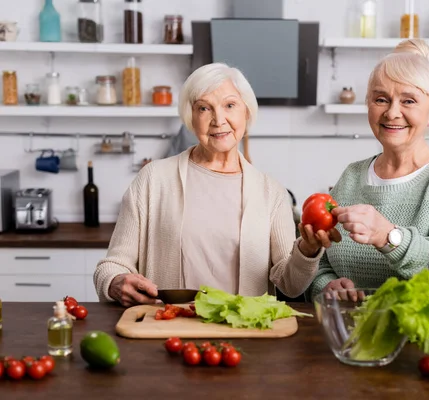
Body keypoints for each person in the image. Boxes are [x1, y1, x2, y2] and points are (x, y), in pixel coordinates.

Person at [94, 62, 339, 307]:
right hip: (168, 330)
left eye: (230, 105)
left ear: (246, 112)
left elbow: (290, 285)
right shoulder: (152, 180)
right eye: (204, 108)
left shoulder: (271, 193)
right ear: (191, 117)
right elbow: (112, 265)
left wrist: (307, 250)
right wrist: (115, 281)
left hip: (244, 336)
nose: (218, 120)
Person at [308, 39, 429, 300]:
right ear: (368, 105)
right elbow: (324, 262)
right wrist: (326, 285)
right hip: (350, 333)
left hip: (417, 334)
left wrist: (390, 237)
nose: (392, 113)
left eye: (409, 101)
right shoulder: (352, 176)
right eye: (381, 99)